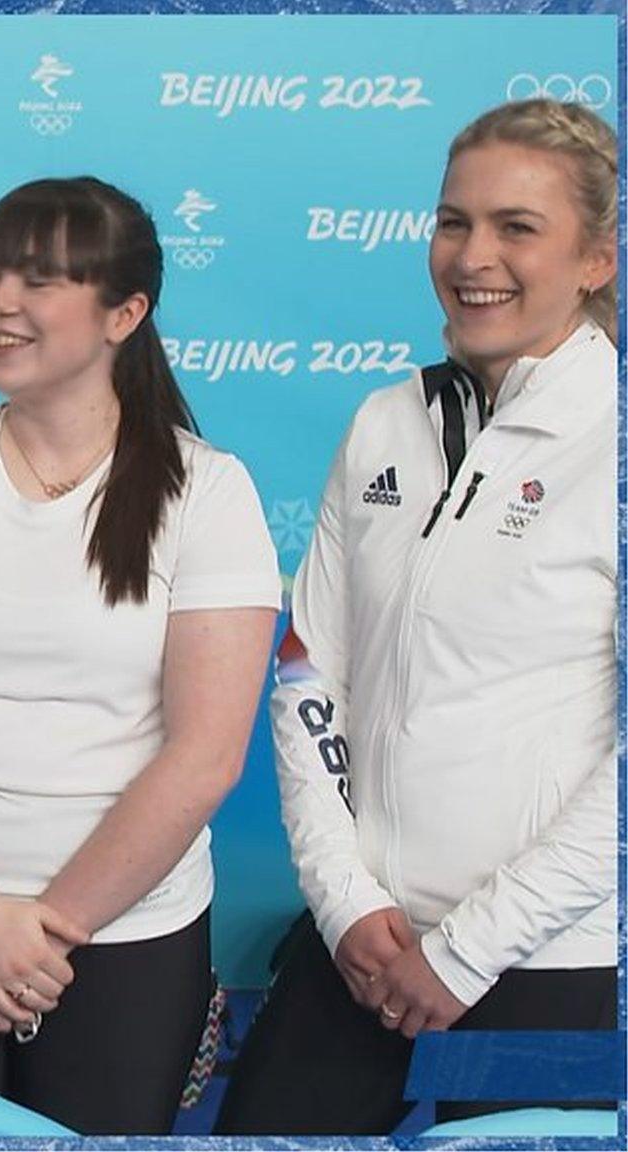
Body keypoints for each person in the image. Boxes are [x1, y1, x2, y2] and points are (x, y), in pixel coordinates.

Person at [0, 177, 279, 1134]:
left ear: (126, 311)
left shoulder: (209, 492)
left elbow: (205, 756)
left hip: (126, 935)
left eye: (39, 280)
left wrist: (39, 937)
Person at [215, 98, 619, 1135]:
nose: (470, 255)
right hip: (364, 943)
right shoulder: (384, 419)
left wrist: (469, 947)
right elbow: (309, 673)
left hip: (543, 960)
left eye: (515, 227)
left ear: (594, 260)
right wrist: (344, 900)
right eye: (452, 221)